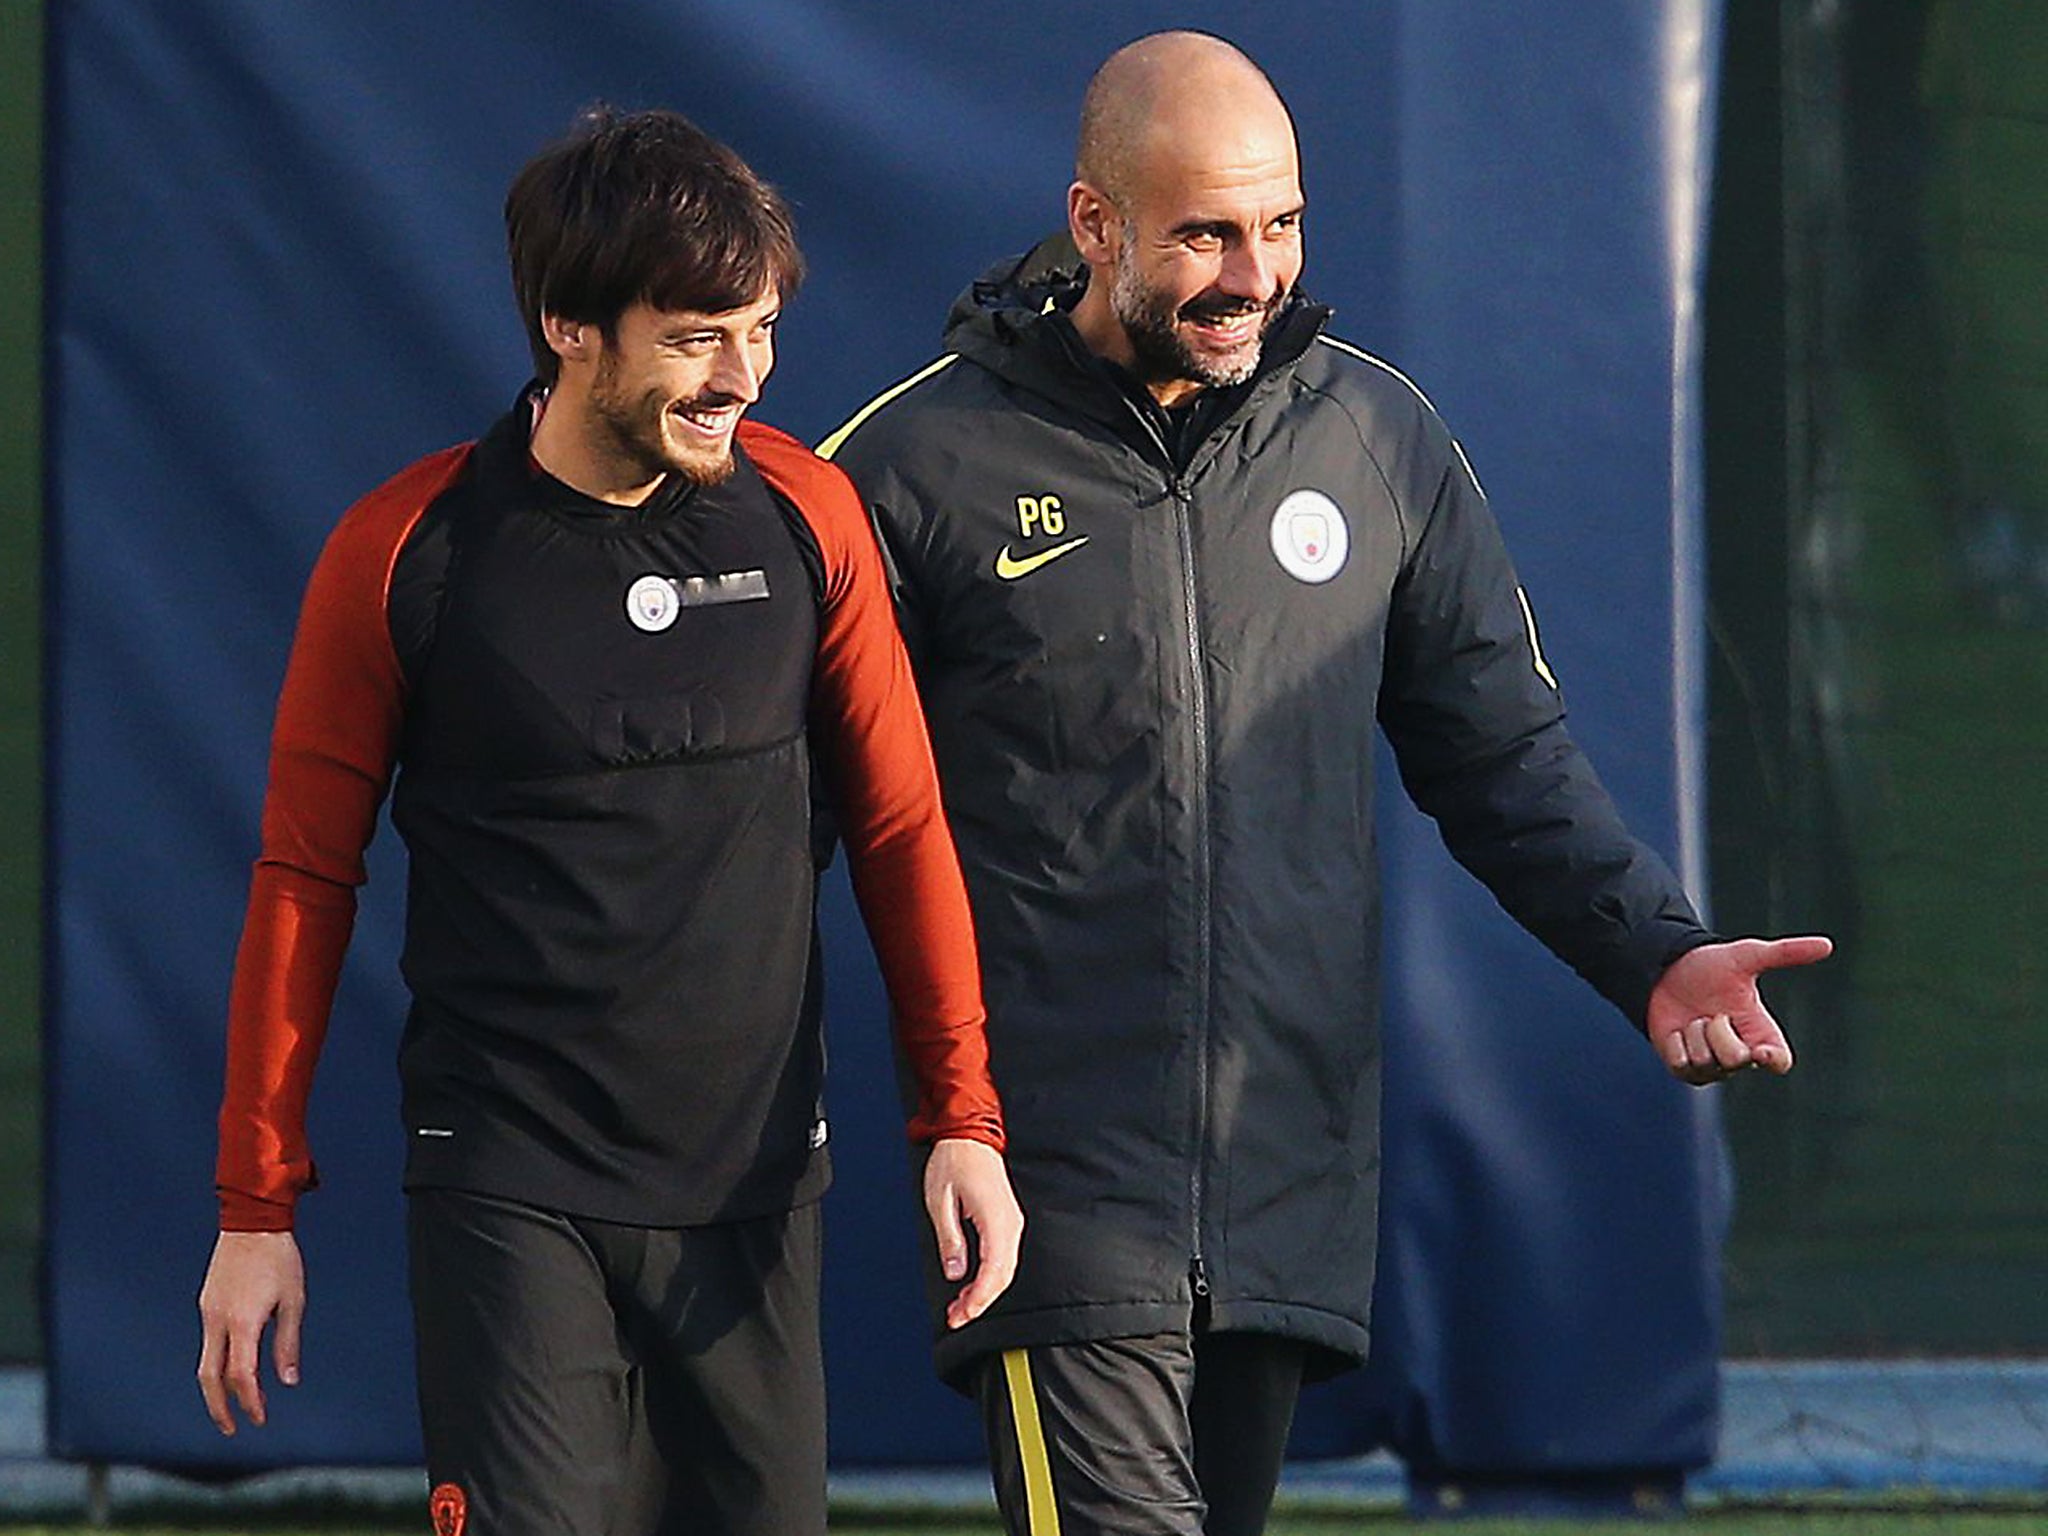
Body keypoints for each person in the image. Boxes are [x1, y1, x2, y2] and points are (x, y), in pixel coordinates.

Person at [821, 32, 1830, 1536]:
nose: (1253, 273)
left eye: (1281, 225)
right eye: (1207, 234)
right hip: (1049, 1176)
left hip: (1287, 1166)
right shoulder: (912, 466)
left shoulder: (1376, 440)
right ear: (1095, 224)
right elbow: (763, 793)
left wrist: (1659, 951)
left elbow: (1503, 754)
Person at [194, 107, 1022, 1536]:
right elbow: (301, 879)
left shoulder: (808, 516)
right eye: (698, 334)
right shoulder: (403, 551)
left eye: (760, 329)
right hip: (508, 1188)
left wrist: (963, 1119)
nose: (743, 374)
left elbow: (899, 827)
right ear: (570, 325)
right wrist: (253, 1208)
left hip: (756, 1198)